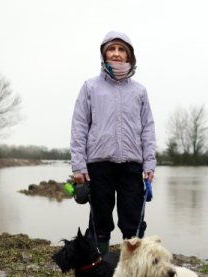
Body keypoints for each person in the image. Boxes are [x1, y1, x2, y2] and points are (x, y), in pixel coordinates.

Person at [70, 30, 156, 255]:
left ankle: (135, 273)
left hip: (131, 165)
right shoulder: (90, 87)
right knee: (100, 222)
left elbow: (148, 129)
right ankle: (98, 269)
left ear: (129, 57)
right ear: (104, 55)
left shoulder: (140, 91)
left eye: (121, 50)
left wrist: (149, 165)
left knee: (132, 224)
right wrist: (79, 166)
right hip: (98, 165)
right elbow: (79, 126)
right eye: (112, 49)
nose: (116, 54)